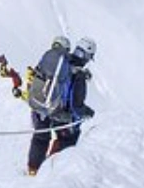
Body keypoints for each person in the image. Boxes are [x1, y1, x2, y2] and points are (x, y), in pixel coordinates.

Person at [25, 36, 95, 175]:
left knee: (40, 137)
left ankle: (33, 169)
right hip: (60, 115)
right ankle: (51, 171)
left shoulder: (62, 61)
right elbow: (76, 106)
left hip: (43, 108)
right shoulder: (79, 75)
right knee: (69, 139)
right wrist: (87, 112)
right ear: (88, 56)